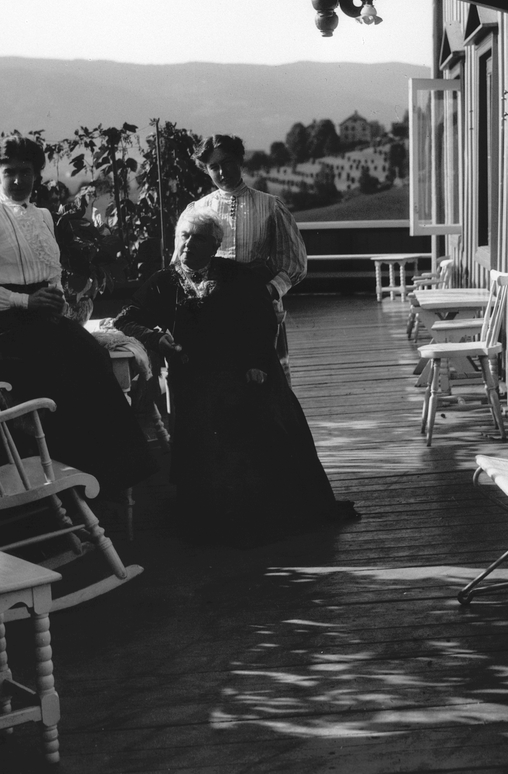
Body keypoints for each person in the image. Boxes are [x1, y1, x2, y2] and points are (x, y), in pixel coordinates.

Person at [112, 204, 356, 545]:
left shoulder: (237, 275)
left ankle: (259, 508)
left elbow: (262, 319)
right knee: (203, 417)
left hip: (244, 368)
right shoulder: (163, 282)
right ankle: (214, 512)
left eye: (199, 238)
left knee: (261, 417)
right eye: (184, 236)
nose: (188, 244)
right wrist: (155, 337)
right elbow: (125, 318)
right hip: (193, 373)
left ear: (214, 245)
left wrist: (257, 362)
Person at [0, 133, 158, 496]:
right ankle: (62, 489)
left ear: (37, 174)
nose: (18, 180)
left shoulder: (45, 216)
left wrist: (54, 299)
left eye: (27, 171)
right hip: (0, 330)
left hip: (41, 320)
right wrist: (25, 302)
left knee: (93, 360)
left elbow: (50, 271)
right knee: (56, 386)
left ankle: (101, 482)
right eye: (9, 172)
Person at [193, 133, 306, 379]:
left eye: (228, 163)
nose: (222, 172)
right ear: (206, 170)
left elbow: (294, 264)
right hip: (215, 308)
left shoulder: (270, 205)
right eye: (214, 167)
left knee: (265, 379)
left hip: (259, 306)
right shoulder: (198, 210)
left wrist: (269, 291)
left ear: (240, 162)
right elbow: (183, 264)